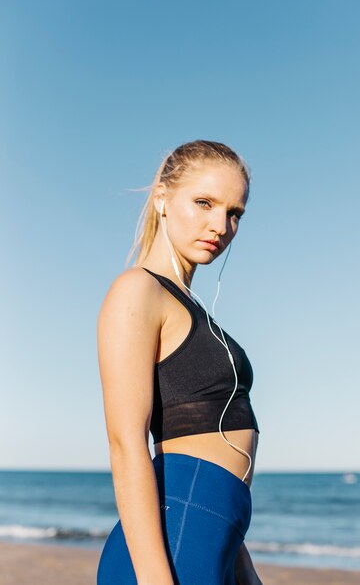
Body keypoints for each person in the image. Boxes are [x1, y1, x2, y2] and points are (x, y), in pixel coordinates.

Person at [96, 140, 262, 585]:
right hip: (171, 553)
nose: (220, 225)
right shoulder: (138, 291)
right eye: (204, 203)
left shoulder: (188, 306)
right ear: (162, 197)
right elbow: (126, 442)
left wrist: (242, 567)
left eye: (234, 213)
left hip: (211, 541)